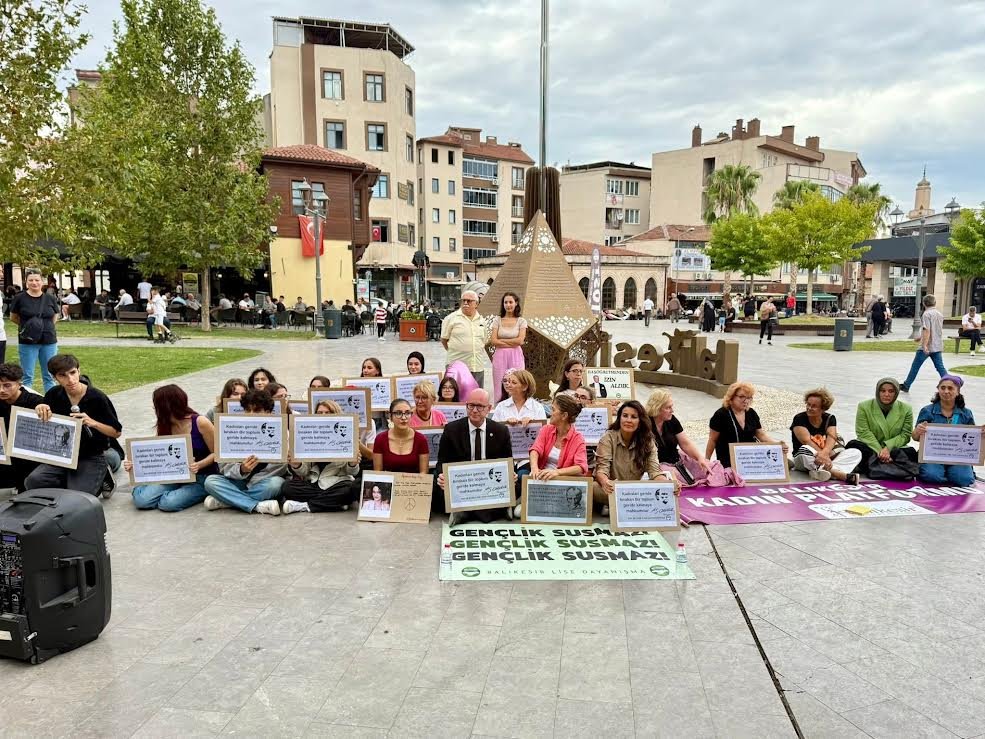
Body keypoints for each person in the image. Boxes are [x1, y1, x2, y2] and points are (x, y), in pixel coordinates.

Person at [25, 354, 122, 497]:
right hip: (63, 454)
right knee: (33, 482)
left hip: (91, 455)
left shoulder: (97, 397)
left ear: (79, 371)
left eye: (73, 373)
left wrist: (93, 423)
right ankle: (77, 480)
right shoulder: (53, 394)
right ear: (54, 378)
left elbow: (116, 432)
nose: (70, 380)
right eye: (63, 375)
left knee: (78, 497)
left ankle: (102, 475)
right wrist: (41, 407)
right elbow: (45, 416)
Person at [128, 384, 217, 511]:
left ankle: (172, 493)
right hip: (174, 474)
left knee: (168, 503)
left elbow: (218, 453)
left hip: (202, 476)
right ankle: (147, 488)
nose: (154, 407)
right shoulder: (164, 424)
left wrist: (199, 464)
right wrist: (135, 464)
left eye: (156, 404)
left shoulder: (200, 422)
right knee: (142, 501)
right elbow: (158, 454)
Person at [202, 389, 288, 515]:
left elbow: (280, 467)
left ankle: (227, 501)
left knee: (276, 484)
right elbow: (223, 466)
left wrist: (251, 484)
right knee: (211, 481)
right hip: (238, 481)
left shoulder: (280, 431)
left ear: (268, 412)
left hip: (262, 483)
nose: (251, 414)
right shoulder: (232, 430)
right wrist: (242, 469)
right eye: (248, 410)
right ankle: (257, 505)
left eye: (257, 411)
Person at [435, 388, 513, 520]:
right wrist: (442, 477)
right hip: (463, 484)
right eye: (471, 406)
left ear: (489, 408)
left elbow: (508, 462)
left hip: (489, 484)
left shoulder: (501, 431)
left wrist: (511, 475)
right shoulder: (452, 429)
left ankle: (464, 513)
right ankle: (491, 512)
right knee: (435, 485)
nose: (475, 410)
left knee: (517, 482)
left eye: (480, 406)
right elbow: (442, 461)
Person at [593, 400, 676, 512]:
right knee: (591, 488)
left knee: (664, 491)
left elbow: (654, 471)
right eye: (625, 416)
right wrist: (605, 482)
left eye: (633, 417)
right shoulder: (608, 438)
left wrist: (669, 486)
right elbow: (602, 471)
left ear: (640, 421)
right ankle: (624, 506)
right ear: (619, 418)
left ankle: (617, 506)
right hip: (612, 488)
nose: (628, 420)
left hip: (635, 491)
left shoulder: (648, 441)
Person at [280, 399, 360, 514]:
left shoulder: (347, 435)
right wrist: (297, 465)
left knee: (351, 488)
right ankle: (334, 503)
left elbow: (352, 472)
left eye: (327, 413)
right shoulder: (308, 435)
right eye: (319, 413)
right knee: (287, 487)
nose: (323, 416)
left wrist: (353, 463)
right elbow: (304, 472)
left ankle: (306, 506)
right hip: (314, 484)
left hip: (337, 484)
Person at [913, 375, 981, 487]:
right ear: (938, 389)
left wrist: (980, 435)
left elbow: (972, 440)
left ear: (958, 392)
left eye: (950, 388)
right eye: (942, 388)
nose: (946, 391)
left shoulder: (966, 413)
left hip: (958, 458)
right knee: (931, 476)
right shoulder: (927, 411)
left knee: (964, 479)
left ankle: (953, 474)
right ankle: (945, 475)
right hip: (932, 456)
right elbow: (915, 437)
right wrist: (918, 431)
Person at [524, 394, 589, 511]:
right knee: (520, 513)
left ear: (564, 415)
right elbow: (535, 450)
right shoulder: (546, 429)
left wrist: (557, 473)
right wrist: (534, 468)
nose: (550, 412)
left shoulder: (578, 438)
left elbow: (581, 467)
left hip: (563, 486)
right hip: (541, 480)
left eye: (553, 409)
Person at [706, 382, 789, 468]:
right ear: (731, 397)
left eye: (749, 398)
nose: (746, 401)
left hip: (750, 458)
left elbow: (761, 435)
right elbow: (713, 440)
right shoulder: (721, 414)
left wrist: (777, 445)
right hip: (729, 459)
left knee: (782, 465)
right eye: (741, 397)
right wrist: (706, 460)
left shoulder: (751, 413)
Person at [790, 388, 863, 484]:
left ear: (823, 408)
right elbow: (806, 441)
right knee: (805, 449)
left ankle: (821, 472)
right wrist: (824, 457)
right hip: (805, 459)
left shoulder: (830, 418)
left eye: (814, 406)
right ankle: (839, 474)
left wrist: (825, 454)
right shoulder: (799, 418)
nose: (809, 408)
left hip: (826, 457)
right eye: (808, 404)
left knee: (855, 452)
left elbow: (832, 437)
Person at [845, 377, 916, 476]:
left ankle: (875, 466)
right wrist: (880, 451)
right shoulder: (864, 406)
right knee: (854, 446)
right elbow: (863, 432)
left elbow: (905, 435)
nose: (886, 394)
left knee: (911, 453)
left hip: (893, 449)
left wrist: (888, 448)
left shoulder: (906, 409)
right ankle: (888, 465)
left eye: (891, 391)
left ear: (896, 393)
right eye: (883, 391)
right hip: (871, 447)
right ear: (878, 392)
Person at [10, 268, 61, 391]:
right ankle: (26, 404)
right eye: (31, 280)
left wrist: (44, 327)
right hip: (28, 341)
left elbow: (55, 315)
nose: (34, 283)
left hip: (49, 341)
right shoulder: (19, 298)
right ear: (26, 282)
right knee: (27, 376)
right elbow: (13, 317)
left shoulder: (49, 298)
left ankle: (50, 402)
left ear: (42, 281)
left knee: (49, 375)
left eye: (37, 280)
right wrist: (28, 328)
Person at [645, 389, 713, 479]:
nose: (672, 410)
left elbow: (685, 443)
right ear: (657, 408)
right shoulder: (645, 423)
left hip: (676, 459)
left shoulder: (672, 420)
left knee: (707, 469)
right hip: (656, 465)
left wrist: (699, 458)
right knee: (675, 478)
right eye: (668, 408)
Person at [0, 364, 43, 491]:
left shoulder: (36, 402)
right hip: (5, 454)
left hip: (30, 457)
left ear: (20, 384)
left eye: (7, 385)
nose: (1, 390)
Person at [900, 294, 947, 393]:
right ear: (934, 303)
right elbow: (935, 329)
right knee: (940, 367)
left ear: (924, 303)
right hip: (937, 345)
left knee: (915, 366)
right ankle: (951, 383)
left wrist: (924, 345)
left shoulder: (926, 314)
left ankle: (906, 385)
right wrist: (920, 337)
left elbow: (927, 330)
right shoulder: (939, 314)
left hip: (927, 346)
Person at [441, 290, 487, 389]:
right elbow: (444, 340)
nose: (465, 303)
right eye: (463, 301)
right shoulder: (451, 319)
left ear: (476, 304)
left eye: (469, 301)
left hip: (477, 367)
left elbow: (484, 341)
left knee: (476, 397)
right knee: (456, 398)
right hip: (456, 368)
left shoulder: (482, 321)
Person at [489, 292, 527, 403]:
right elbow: (493, 341)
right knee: (499, 382)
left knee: (518, 381)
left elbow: (520, 340)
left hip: (516, 355)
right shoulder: (497, 320)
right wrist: (512, 342)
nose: (508, 305)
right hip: (500, 356)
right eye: (505, 302)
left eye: (510, 302)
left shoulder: (521, 321)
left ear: (516, 303)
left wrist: (502, 341)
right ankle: (500, 408)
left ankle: (518, 405)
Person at [373, 399, 429, 474]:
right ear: (390, 416)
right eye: (398, 413)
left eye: (407, 413)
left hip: (414, 484)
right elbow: (377, 472)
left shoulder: (421, 439)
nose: (403, 418)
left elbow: (424, 472)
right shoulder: (380, 439)